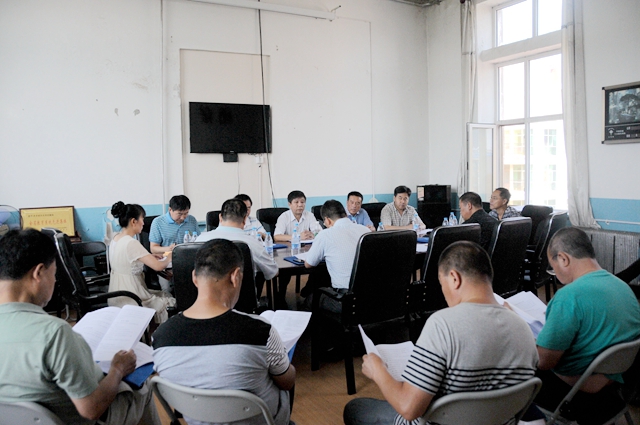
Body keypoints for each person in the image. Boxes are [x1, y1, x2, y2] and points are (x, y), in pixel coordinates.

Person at [343, 241, 538, 425]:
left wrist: (378, 371)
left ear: (454, 278)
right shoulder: (523, 328)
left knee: (356, 408)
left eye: (442, 284)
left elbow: (409, 408)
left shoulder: (443, 325)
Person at [0, 229, 160, 425]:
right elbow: (91, 409)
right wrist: (118, 369)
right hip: (73, 420)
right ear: (39, 273)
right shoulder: (54, 334)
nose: (55, 281)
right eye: (54, 274)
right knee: (143, 388)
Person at [153, 239, 296, 425]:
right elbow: (287, 382)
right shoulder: (260, 331)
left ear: (194, 277)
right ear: (235, 277)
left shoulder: (161, 337)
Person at [534, 227, 640, 424]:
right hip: (616, 389)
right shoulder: (623, 287)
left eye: (553, 266)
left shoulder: (569, 296)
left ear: (563, 259)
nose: (555, 274)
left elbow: (544, 362)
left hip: (576, 395)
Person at [109, 201, 175, 324]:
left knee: (163, 295)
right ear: (133, 221)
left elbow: (125, 261)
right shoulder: (131, 242)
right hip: (132, 296)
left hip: (117, 293)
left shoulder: (116, 238)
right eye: (142, 219)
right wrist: (170, 255)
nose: (143, 223)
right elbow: (159, 266)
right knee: (169, 300)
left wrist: (149, 256)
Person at [303, 200, 371, 308]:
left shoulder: (325, 234)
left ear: (327, 220)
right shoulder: (365, 230)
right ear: (345, 215)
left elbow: (308, 264)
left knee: (310, 300)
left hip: (345, 301)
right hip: (371, 296)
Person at [196, 198, 278, 282]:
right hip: (242, 290)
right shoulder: (252, 243)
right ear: (245, 219)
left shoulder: (200, 240)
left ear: (220, 217)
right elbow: (273, 272)